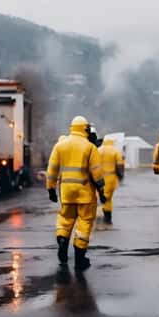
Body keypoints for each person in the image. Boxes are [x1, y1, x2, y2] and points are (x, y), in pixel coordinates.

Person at [46, 116, 107, 270]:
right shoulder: (90, 147)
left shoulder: (60, 145)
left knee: (65, 219)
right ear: (85, 129)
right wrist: (101, 191)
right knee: (84, 222)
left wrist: (51, 188)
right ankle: (80, 259)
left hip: (67, 192)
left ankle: (62, 240)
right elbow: (97, 173)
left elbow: (52, 169)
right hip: (85, 193)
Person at [98, 138, 124, 224]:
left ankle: (103, 215)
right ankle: (108, 217)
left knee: (101, 197)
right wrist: (120, 176)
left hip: (99, 178)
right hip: (111, 177)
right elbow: (120, 165)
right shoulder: (115, 151)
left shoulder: (98, 150)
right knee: (108, 199)